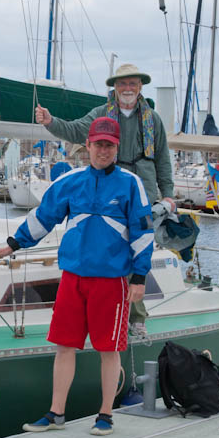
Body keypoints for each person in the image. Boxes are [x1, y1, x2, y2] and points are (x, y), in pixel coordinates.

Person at [0, 116, 153, 436]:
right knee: (64, 346)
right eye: (97, 145)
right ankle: (56, 413)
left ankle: (105, 414)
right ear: (87, 147)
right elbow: (43, 217)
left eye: (109, 145)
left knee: (109, 350)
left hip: (112, 281)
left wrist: (139, 276)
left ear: (116, 148)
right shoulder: (70, 181)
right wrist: (13, 244)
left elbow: (143, 231)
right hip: (73, 277)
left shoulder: (130, 183)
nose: (102, 150)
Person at [34, 63, 174, 336]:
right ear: (115, 88)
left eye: (132, 84)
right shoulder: (101, 115)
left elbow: (163, 158)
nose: (127, 89)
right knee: (108, 248)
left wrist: (167, 193)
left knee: (139, 248)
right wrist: (51, 122)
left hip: (142, 190)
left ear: (140, 87)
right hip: (110, 185)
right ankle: (102, 314)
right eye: (122, 84)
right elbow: (76, 131)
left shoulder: (153, 119)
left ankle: (136, 317)